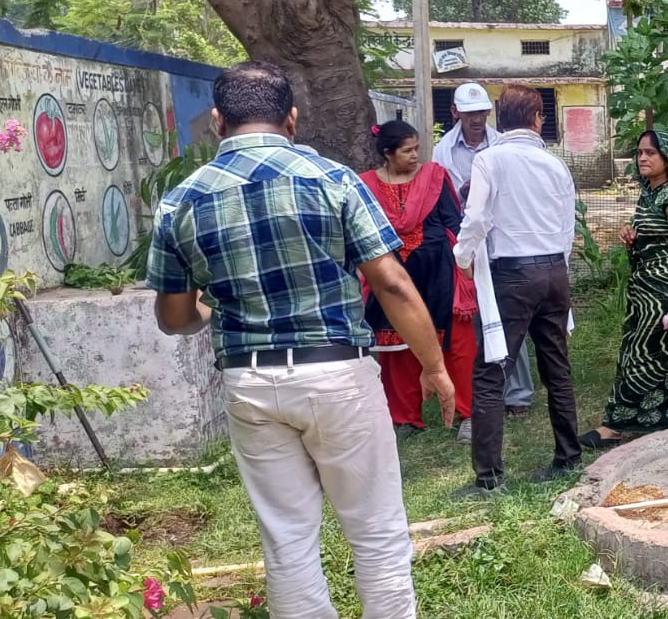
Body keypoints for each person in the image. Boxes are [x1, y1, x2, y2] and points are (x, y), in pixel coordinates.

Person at [147, 61, 454, 617]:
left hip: (250, 381)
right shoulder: (335, 180)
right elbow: (389, 281)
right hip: (338, 371)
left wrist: (208, 304)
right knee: (377, 531)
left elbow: (173, 318)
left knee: (287, 542)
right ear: (291, 118)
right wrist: (433, 364)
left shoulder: (181, 201)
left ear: (218, 120)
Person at [452, 85, 580, 494]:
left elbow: (475, 218)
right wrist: (555, 262)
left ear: (497, 119)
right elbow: (567, 226)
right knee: (556, 367)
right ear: (537, 119)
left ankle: (489, 478)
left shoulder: (490, 160)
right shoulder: (554, 164)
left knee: (491, 372)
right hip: (553, 269)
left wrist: (463, 257)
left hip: (512, 273)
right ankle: (568, 457)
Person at [581, 129, 668, 447]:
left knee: (646, 353)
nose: (642, 158)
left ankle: (617, 424)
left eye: (650, 153)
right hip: (647, 289)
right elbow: (656, 237)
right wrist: (632, 234)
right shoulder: (651, 193)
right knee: (665, 354)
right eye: (639, 152)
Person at [360, 121, 479, 443]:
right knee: (397, 346)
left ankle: (468, 415)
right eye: (407, 150)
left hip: (441, 272)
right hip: (391, 275)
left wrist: (465, 266)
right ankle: (404, 418)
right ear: (387, 153)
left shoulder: (434, 177)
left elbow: (454, 222)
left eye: (417, 149)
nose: (415, 156)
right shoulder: (365, 186)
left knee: (458, 344)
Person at [431, 81, 532, 416]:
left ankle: (517, 394)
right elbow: (440, 195)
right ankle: (481, 389)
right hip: (463, 239)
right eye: (470, 113)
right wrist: (465, 195)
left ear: (489, 113)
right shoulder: (442, 151)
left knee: (510, 312)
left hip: (502, 238)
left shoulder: (502, 145)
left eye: (482, 112)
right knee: (471, 317)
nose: (476, 119)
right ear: (455, 112)